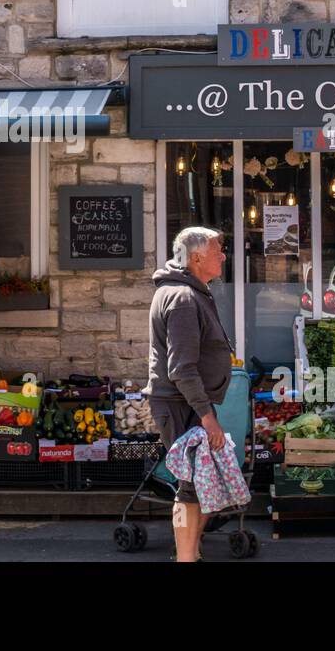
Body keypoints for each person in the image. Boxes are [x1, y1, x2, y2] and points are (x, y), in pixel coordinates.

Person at [144, 226, 233, 563]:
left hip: (188, 403)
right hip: (182, 404)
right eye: (217, 250)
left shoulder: (189, 292)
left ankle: (191, 552)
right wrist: (208, 417)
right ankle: (185, 557)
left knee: (202, 485)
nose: (223, 256)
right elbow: (181, 367)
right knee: (190, 487)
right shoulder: (182, 298)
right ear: (197, 257)